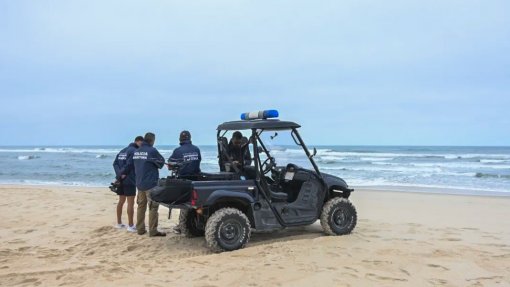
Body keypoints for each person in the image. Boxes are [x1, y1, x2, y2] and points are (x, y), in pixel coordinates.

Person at [121, 132, 166, 237]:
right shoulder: (152, 150)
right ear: (152, 140)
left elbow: (130, 165)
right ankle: (153, 231)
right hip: (151, 184)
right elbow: (161, 163)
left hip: (139, 183)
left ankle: (140, 229)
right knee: (153, 207)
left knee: (141, 206)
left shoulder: (137, 151)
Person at [112, 136, 143, 232]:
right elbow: (129, 165)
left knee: (121, 201)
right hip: (129, 179)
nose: (142, 146)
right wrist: (123, 174)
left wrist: (118, 175)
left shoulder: (122, 151)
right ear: (138, 142)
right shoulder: (134, 151)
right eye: (142, 144)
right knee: (130, 203)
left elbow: (115, 164)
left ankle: (119, 223)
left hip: (120, 180)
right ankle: (130, 225)